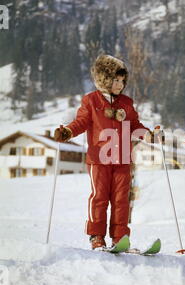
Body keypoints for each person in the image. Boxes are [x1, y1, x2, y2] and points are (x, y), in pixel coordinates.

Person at [54, 54, 160, 250]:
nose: (119, 85)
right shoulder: (91, 101)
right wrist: (68, 131)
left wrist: (148, 135)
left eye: (122, 81)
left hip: (122, 160)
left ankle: (120, 238)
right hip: (99, 159)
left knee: (121, 199)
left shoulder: (126, 103)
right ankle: (96, 236)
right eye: (115, 80)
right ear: (104, 79)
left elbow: (135, 125)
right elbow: (81, 122)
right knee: (100, 197)